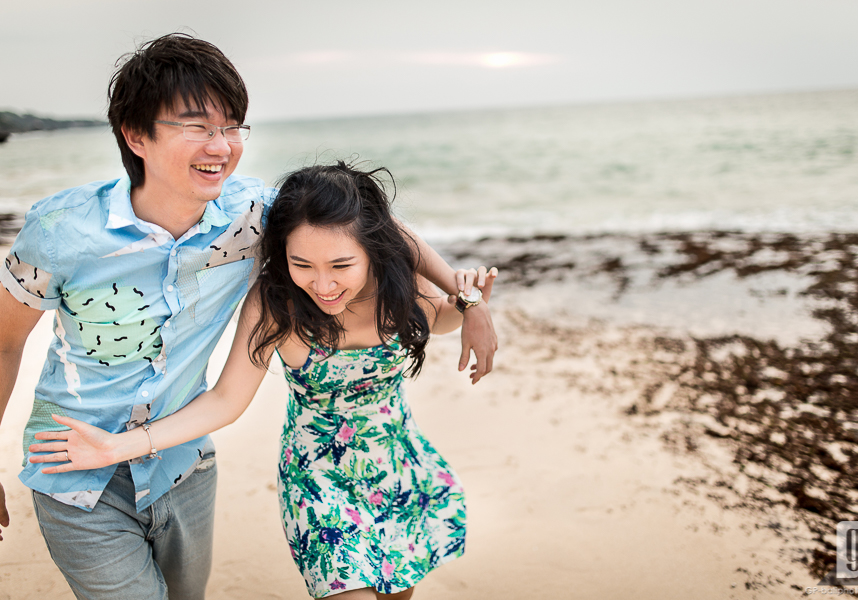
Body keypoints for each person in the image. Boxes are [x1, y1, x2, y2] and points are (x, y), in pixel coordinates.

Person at [0, 34, 497, 599]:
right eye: (197, 126)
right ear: (134, 135)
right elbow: (2, 342)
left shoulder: (254, 214)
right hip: (73, 470)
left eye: (232, 126)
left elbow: (368, 223)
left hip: (182, 465)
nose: (221, 146)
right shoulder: (62, 231)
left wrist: (467, 296)